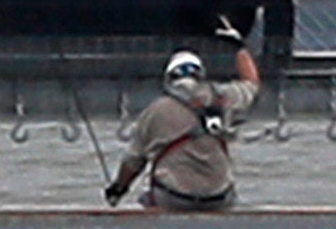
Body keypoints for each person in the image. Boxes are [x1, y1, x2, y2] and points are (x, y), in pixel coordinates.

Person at [103, 34, 252, 211]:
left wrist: (118, 189)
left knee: (146, 200)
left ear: (168, 79)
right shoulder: (224, 98)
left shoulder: (155, 111)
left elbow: (133, 161)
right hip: (219, 198)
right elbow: (252, 83)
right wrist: (239, 47)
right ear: (200, 75)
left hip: (173, 198)